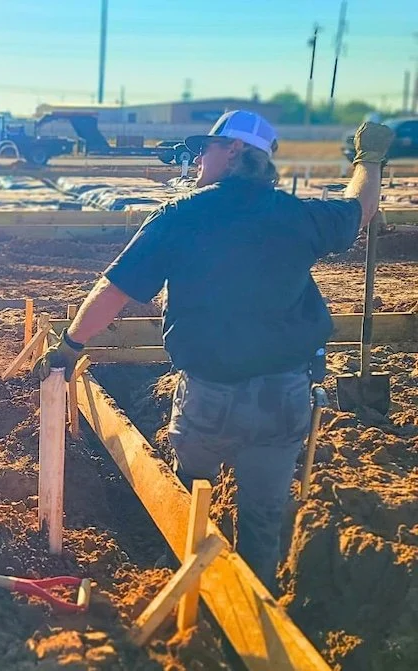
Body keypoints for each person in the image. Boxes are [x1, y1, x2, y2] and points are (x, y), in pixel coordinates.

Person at [34, 111, 393, 588]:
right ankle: (253, 612)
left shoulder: (182, 216)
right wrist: (369, 160)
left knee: (187, 501)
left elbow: (114, 290)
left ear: (235, 152)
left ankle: (189, 593)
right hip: (282, 399)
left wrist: (71, 345)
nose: (198, 157)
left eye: (207, 146)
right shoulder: (297, 215)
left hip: (209, 397)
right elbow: (359, 206)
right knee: (263, 522)